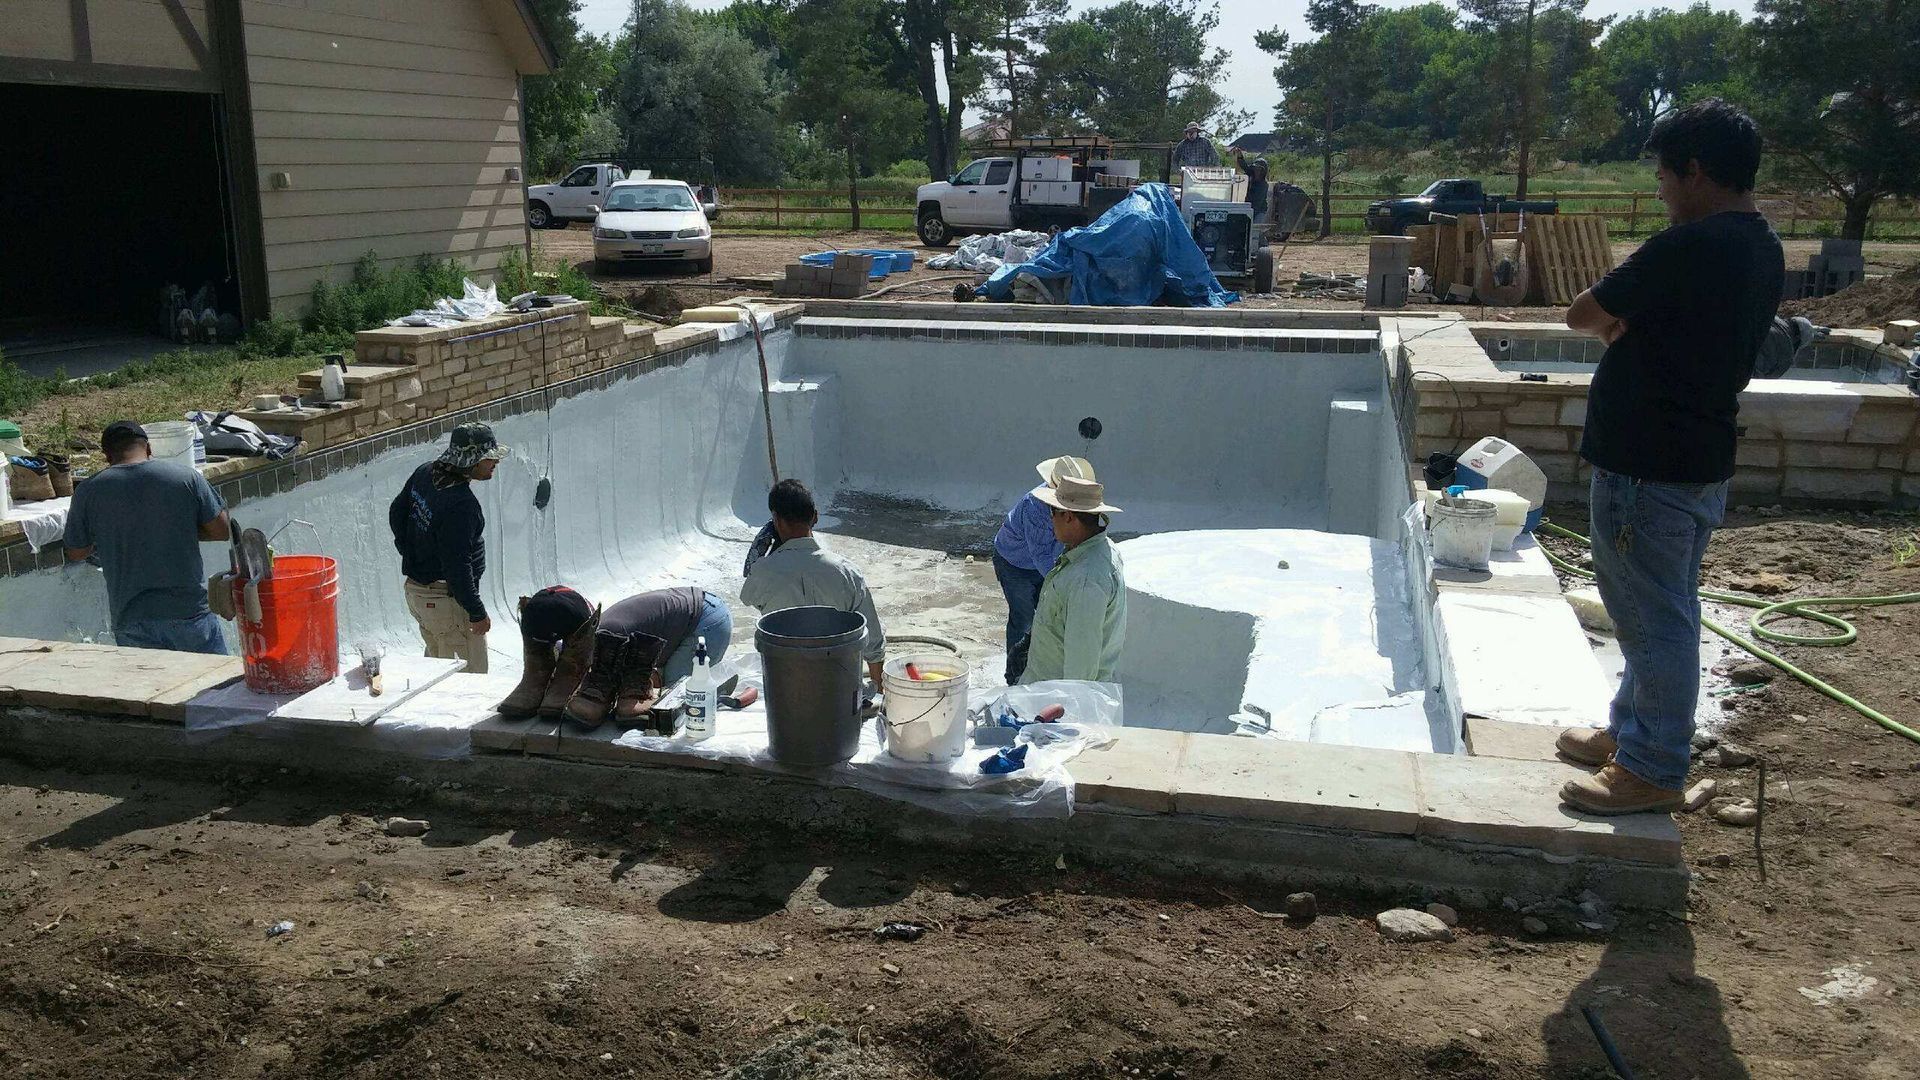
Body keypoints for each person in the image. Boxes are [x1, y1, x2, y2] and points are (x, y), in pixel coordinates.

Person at [1559, 99, 1784, 816]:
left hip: (1647, 464)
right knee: (1655, 606)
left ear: (1693, 170)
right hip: (1694, 456)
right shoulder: (1761, 245)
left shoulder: (1688, 245)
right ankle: (1630, 734)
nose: (1658, 187)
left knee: (1654, 618)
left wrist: (1617, 324)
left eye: (1662, 172)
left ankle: (1653, 767)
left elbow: (1581, 313)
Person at [63, 420, 232, 654]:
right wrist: (176, 528)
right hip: (189, 613)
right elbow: (222, 531)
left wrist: (110, 536)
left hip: (132, 620)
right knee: (217, 688)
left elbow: (76, 551)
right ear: (149, 448)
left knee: (153, 689)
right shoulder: (186, 478)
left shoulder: (88, 491)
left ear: (107, 456)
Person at [496, 585, 734, 728]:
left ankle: (714, 688)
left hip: (707, 620)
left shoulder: (608, 632)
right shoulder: (594, 632)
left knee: (675, 694)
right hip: (689, 612)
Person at [741, 479, 886, 687]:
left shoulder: (763, 571)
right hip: (838, 688)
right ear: (815, 517)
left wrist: (764, 553)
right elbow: (874, 641)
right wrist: (876, 692)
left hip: (784, 687)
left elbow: (749, 597)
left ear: (776, 521)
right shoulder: (847, 572)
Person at [389, 422, 505, 674]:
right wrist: (476, 612)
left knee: (436, 669)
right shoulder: (461, 505)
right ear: (471, 461)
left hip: (420, 596)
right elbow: (457, 566)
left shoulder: (425, 473)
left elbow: (396, 512)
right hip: (446, 602)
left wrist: (411, 553)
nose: (495, 463)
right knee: (466, 683)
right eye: (489, 458)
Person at [993, 455, 1094, 684]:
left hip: (1043, 563)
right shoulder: (1036, 506)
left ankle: (1040, 669)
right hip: (1015, 564)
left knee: (1048, 621)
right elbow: (1043, 558)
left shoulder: (1075, 506)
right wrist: (1065, 582)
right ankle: (1015, 677)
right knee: (1024, 620)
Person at [1022, 476, 1126, 684]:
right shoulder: (1092, 551)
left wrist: (1063, 713)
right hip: (1041, 690)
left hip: (1054, 702)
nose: (1051, 520)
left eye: (1053, 513)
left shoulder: (1086, 579)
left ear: (1068, 517)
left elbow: (1081, 670)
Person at [1234, 150, 1270, 224]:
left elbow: (1257, 205)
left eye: (1259, 169)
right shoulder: (1251, 175)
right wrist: (1240, 156)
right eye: (1255, 169)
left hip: (1259, 211)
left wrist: (1248, 215)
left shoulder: (1263, 185)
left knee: (1254, 231)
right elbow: (1244, 166)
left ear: (1263, 171)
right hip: (1249, 208)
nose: (1257, 171)